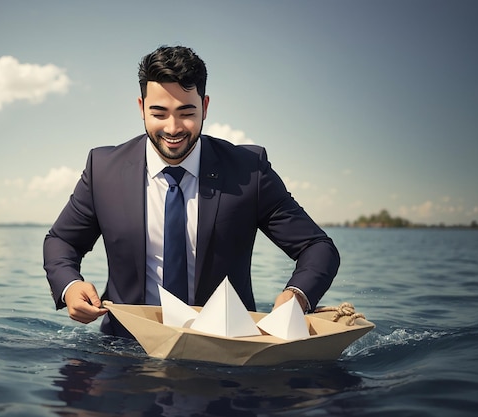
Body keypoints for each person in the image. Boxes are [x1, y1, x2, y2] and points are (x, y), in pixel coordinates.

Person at [43, 45, 340, 337]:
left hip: (225, 351)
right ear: (141, 108)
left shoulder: (249, 171)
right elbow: (62, 241)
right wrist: (70, 286)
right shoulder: (103, 169)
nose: (173, 128)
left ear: (205, 107)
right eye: (159, 113)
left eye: (186, 112)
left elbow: (317, 247)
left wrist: (297, 295)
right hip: (125, 350)